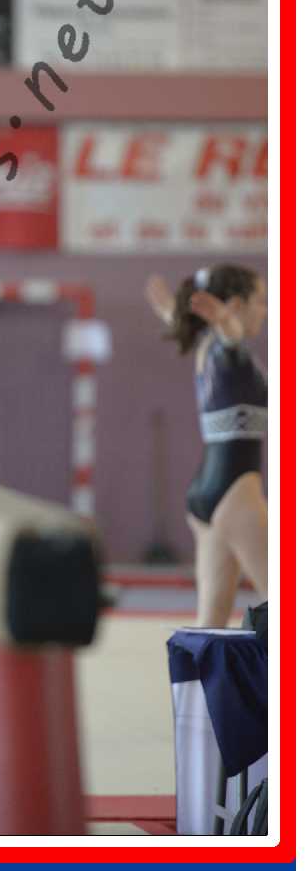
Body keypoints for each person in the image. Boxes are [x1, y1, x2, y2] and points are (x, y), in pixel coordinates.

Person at [145, 266, 267, 627]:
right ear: (236, 305)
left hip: (206, 494)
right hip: (236, 493)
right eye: (261, 301)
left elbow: (203, 329)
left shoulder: (207, 348)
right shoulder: (228, 348)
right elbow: (231, 335)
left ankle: (197, 670)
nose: (266, 311)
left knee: (211, 621)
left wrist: (172, 312)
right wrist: (226, 321)